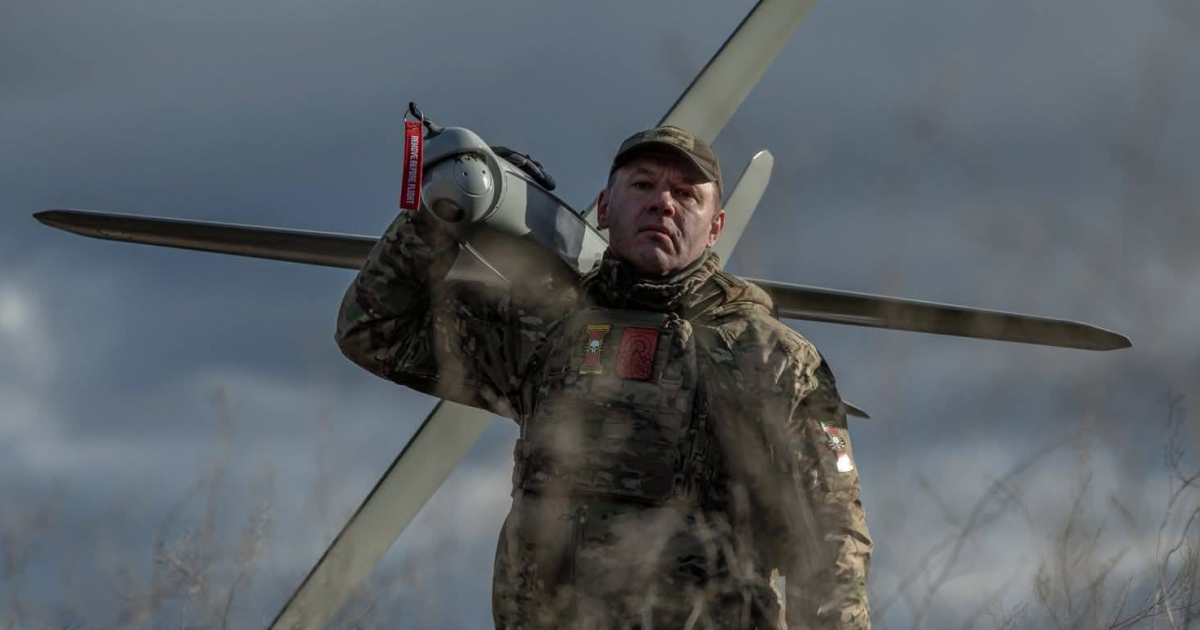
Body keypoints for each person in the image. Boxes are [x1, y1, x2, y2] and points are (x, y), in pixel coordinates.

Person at [335, 126, 872, 629]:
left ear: (715, 227)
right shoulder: (546, 329)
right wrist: (435, 213)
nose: (663, 202)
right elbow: (373, 330)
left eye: (687, 194)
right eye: (643, 185)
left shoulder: (775, 360)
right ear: (606, 207)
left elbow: (833, 545)